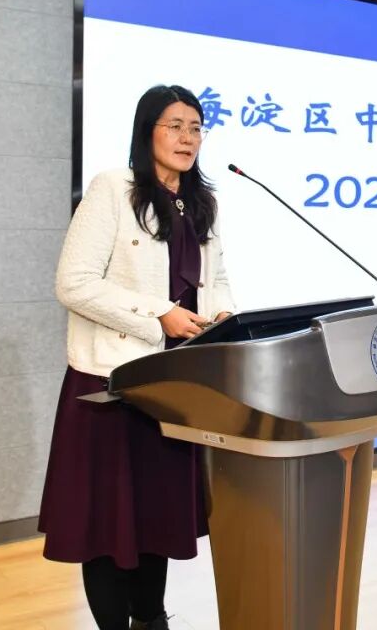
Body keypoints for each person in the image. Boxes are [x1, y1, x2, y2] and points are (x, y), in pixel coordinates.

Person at [38, 85, 235, 630]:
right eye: (174, 126)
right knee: (107, 524)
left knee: (154, 517)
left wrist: (222, 315)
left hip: (173, 385)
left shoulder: (202, 202)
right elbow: (73, 283)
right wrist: (158, 315)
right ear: (146, 131)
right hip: (111, 384)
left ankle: (152, 620)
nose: (187, 138)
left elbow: (216, 278)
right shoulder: (113, 189)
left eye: (196, 127)